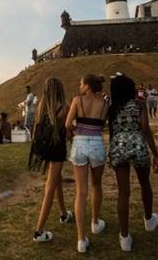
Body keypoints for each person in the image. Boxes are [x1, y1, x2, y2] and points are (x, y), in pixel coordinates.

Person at [108, 74, 158, 252]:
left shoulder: (112, 108)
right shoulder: (139, 105)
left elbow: (111, 130)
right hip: (138, 146)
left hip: (118, 147)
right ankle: (148, 220)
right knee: (145, 184)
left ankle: (124, 237)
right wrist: (156, 154)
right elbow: (145, 129)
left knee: (124, 192)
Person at [65, 74, 109, 253]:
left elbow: (68, 124)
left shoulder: (77, 100)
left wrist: (79, 130)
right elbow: (103, 124)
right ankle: (95, 223)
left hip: (80, 144)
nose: (79, 86)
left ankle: (81, 240)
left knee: (80, 192)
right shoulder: (105, 103)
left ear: (88, 86)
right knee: (97, 185)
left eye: (81, 84)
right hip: (97, 143)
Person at [29, 77, 73, 243]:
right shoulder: (64, 109)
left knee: (57, 180)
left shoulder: (41, 107)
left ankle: (63, 214)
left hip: (43, 149)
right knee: (50, 187)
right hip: (56, 151)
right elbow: (68, 134)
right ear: (60, 91)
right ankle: (39, 231)